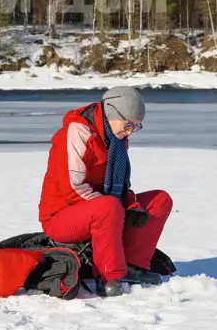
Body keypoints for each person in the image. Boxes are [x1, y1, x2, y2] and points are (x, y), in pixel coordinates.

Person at [38, 86, 173, 297]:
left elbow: (120, 185)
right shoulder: (76, 134)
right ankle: (109, 276)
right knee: (108, 206)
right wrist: (115, 208)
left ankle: (132, 264)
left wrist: (131, 206)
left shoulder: (115, 139)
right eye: (128, 124)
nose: (129, 131)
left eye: (136, 127)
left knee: (160, 200)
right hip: (61, 217)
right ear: (112, 112)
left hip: (100, 209)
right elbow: (72, 188)